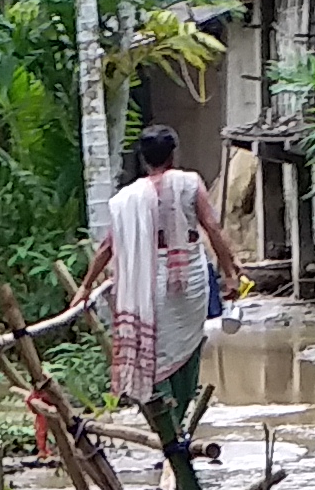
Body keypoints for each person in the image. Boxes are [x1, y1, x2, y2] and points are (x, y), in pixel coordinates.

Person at [37, 125, 237, 437]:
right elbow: (212, 228)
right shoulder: (190, 183)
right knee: (189, 345)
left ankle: (165, 425)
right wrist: (231, 273)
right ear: (174, 154)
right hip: (192, 281)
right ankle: (178, 423)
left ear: (143, 159)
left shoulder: (127, 198)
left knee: (154, 350)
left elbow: (107, 246)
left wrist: (86, 286)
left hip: (147, 281)